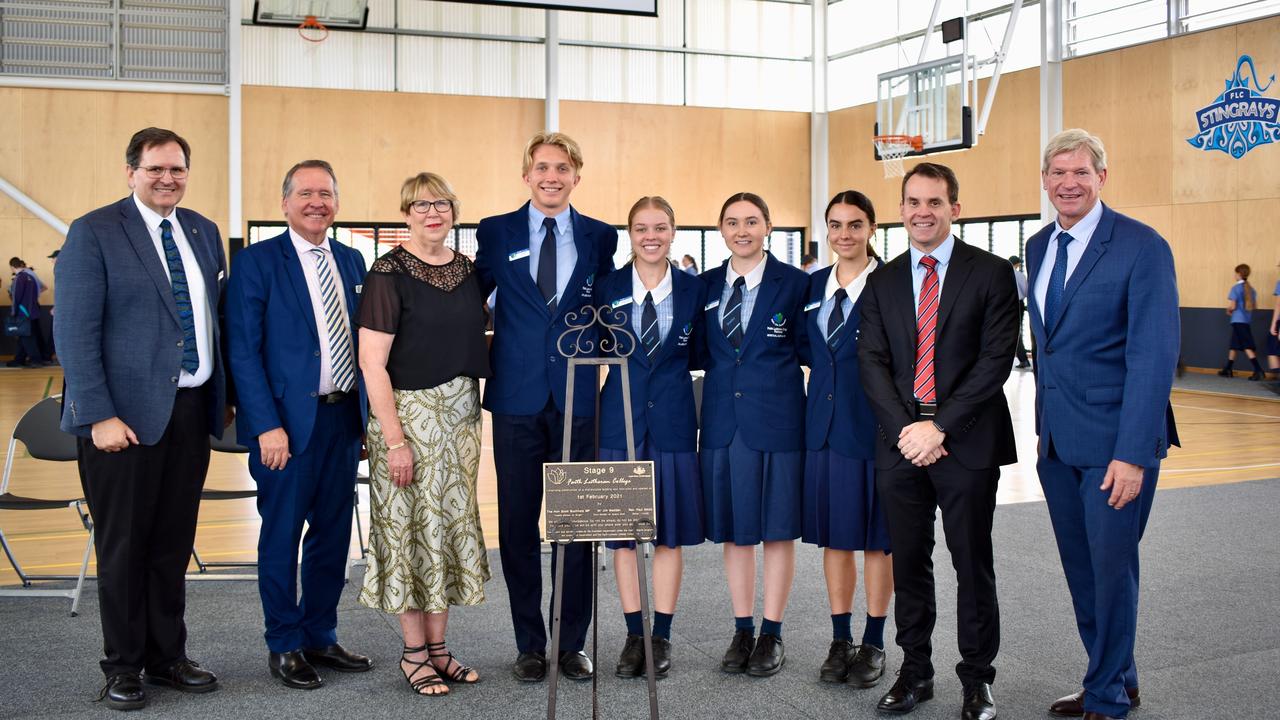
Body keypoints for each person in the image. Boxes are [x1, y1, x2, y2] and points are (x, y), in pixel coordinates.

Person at [56, 127, 228, 710]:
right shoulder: (95, 231)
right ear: (131, 172)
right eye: (155, 168)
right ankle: (123, 665)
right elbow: (74, 333)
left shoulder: (202, 232)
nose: (167, 178)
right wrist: (98, 414)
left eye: (177, 168)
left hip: (188, 410)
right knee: (125, 545)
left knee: (172, 543)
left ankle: (167, 657)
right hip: (121, 421)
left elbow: (211, 321)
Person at [1028, 129, 1179, 720]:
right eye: (1058, 173)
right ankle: (1118, 675)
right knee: (1083, 572)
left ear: (1101, 178)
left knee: (1112, 572)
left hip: (1116, 447)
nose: (1069, 182)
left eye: (1081, 172)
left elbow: (1153, 356)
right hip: (1058, 443)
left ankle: (1108, 696)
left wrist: (1134, 453)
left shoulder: (1143, 247)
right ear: (1045, 181)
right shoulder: (1039, 246)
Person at [858, 162, 1018, 720]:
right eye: (912, 202)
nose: (922, 212)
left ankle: (977, 679)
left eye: (934, 202)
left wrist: (940, 427)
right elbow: (872, 363)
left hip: (966, 440)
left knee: (972, 561)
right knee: (910, 563)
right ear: (900, 210)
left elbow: (996, 361)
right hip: (901, 442)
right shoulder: (882, 280)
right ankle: (915, 671)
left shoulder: (992, 273)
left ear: (955, 207)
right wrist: (910, 431)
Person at [473, 131, 618, 682]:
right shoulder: (496, 231)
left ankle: (571, 642)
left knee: (576, 524)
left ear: (576, 175)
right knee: (516, 524)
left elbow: (611, 305)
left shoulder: (601, 237)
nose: (551, 177)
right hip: (515, 399)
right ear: (526, 174)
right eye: (542, 167)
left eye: (562, 168)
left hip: (579, 398)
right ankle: (530, 643)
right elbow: (467, 300)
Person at [226, 159, 371, 690]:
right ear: (284, 202)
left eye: (326, 193)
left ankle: (320, 633)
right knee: (282, 535)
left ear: (337, 202)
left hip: (342, 420)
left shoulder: (354, 262)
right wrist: (266, 425)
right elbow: (243, 350)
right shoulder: (258, 262)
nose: (317, 202)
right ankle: (284, 642)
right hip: (285, 427)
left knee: (334, 535)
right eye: (306, 193)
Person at [355, 172, 491, 696]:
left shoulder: (466, 270)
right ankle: (413, 653)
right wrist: (394, 439)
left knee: (447, 532)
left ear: (454, 211)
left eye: (441, 204)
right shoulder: (387, 273)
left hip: (460, 421)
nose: (432, 213)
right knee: (411, 531)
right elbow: (372, 364)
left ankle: (439, 650)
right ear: (406, 213)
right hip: (407, 419)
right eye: (420, 205)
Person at [700, 192, 809, 678]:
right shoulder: (702, 286)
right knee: (737, 531)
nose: (741, 230)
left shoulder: (797, 285)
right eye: (731, 222)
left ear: (768, 226)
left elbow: (813, 351)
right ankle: (742, 627)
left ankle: (773, 630)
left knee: (777, 529)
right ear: (721, 230)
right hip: (724, 424)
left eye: (751, 221)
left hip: (779, 421)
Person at [596, 196, 706, 680]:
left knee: (668, 534)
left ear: (673, 230)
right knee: (622, 539)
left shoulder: (695, 289)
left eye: (660, 227)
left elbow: (702, 351)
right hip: (618, 422)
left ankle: (660, 634)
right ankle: (632, 635)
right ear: (630, 233)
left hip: (676, 423)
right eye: (641, 228)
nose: (650, 236)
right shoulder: (607, 287)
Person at [803, 191, 893, 688]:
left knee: (878, 542)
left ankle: (875, 640)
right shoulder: (814, 286)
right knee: (836, 540)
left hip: (878, 431)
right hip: (825, 431)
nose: (844, 234)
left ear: (872, 228)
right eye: (836, 225)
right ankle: (841, 639)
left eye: (855, 225)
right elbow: (808, 351)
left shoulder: (893, 285)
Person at [1218, 264, 1264, 381]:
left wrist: (1229, 310)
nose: (1234, 275)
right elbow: (1252, 306)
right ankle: (1228, 369)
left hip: (1237, 321)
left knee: (1247, 346)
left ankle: (1258, 370)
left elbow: (1233, 306)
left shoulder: (1235, 288)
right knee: (1234, 345)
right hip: (1245, 321)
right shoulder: (1251, 290)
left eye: (1235, 273)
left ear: (1239, 274)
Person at [7, 257, 44, 367]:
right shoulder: (30, 276)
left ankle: (36, 360)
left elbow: (16, 297)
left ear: (12, 267)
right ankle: (19, 359)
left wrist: (13, 313)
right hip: (32, 311)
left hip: (23, 313)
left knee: (27, 338)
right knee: (23, 337)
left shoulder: (19, 278)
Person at [1009, 256, 1031, 368]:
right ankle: (1023, 359)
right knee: (1016, 331)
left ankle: (1022, 359)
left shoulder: (1001, 273)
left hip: (1005, 304)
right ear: (1016, 264)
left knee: (1010, 331)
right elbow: (1026, 291)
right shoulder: (1019, 275)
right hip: (1018, 304)